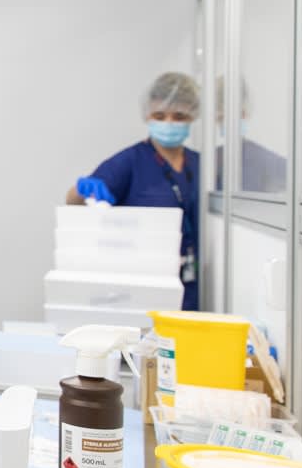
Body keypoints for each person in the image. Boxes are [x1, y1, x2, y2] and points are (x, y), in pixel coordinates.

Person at [66, 72, 202, 310]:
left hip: (192, 282)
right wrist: (81, 189)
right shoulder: (129, 161)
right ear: (148, 115)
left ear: (192, 117)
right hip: (144, 282)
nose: (169, 122)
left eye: (178, 116)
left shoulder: (200, 164)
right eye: (160, 115)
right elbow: (75, 202)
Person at [215, 77, 288, 194]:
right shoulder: (211, 161)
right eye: (222, 117)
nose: (230, 122)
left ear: (245, 113)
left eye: (238, 114)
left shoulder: (271, 162)